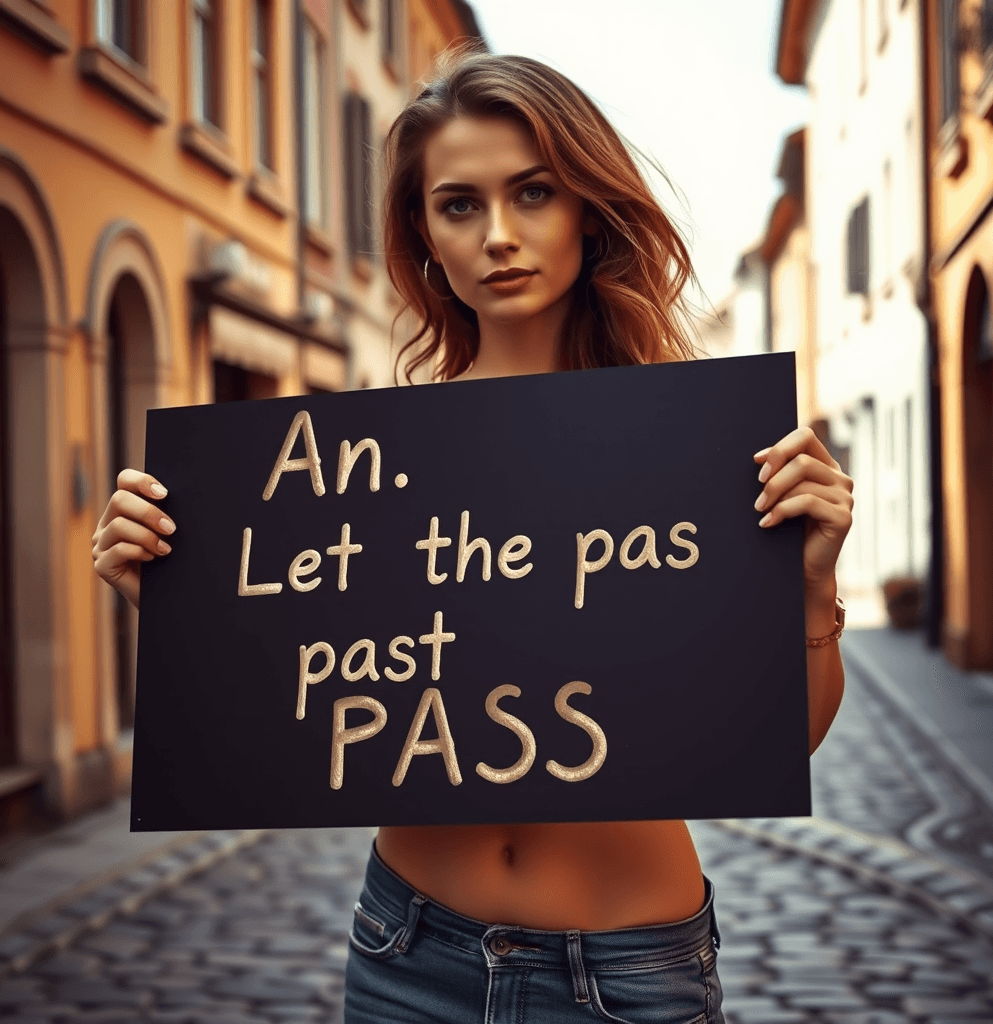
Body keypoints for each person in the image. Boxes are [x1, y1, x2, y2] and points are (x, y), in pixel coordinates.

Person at [93, 50, 853, 1024]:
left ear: (586, 206)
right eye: (459, 205)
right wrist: (185, 604)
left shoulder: (697, 453)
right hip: (406, 948)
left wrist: (807, 594)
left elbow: (781, 737)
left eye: (532, 192)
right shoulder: (362, 478)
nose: (499, 235)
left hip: (626, 968)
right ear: (425, 234)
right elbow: (291, 712)